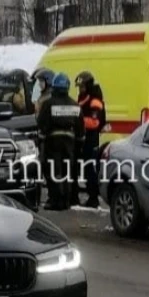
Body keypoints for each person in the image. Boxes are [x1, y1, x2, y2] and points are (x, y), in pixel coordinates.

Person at [37, 73, 83, 211]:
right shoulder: (75, 105)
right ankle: (66, 201)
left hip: (53, 142)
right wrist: (79, 144)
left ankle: (55, 200)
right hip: (70, 143)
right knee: (67, 171)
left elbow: (41, 123)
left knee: (53, 170)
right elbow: (81, 128)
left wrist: (41, 139)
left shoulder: (48, 104)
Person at [74, 71, 106, 208]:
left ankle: (93, 198)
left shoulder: (95, 100)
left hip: (91, 139)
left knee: (89, 169)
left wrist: (77, 120)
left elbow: (94, 122)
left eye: (82, 86)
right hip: (83, 138)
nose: (80, 89)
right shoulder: (83, 97)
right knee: (80, 168)